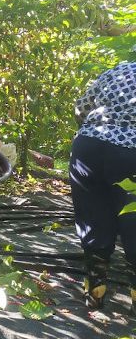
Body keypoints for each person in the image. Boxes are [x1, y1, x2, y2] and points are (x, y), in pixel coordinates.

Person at [69, 61, 136, 315]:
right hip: (132, 154)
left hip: (90, 145)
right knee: (134, 221)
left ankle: (95, 294)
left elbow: (81, 108)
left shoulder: (118, 70)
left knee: (93, 217)